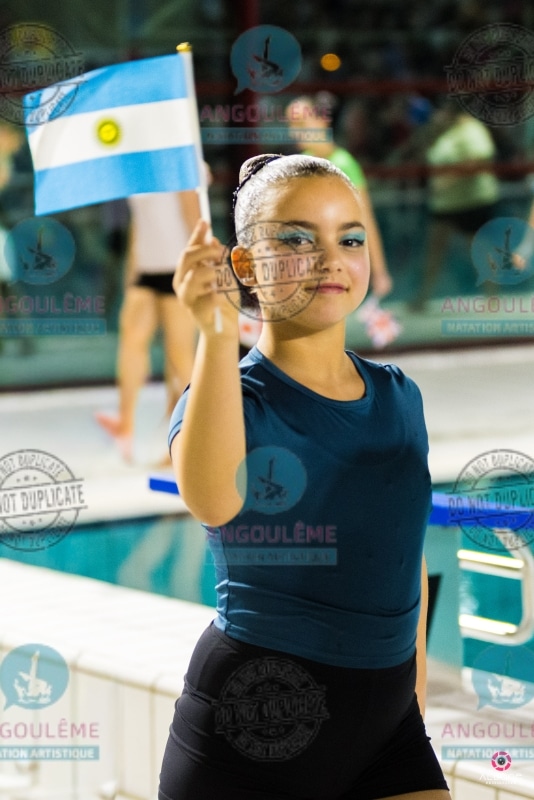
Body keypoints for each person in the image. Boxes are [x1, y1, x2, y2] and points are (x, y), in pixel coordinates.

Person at [158, 153, 450, 800]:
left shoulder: (399, 396)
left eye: (350, 239)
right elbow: (212, 500)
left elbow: (405, 558)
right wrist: (215, 334)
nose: (329, 259)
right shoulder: (233, 401)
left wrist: (411, 708)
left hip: (388, 734)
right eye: (296, 240)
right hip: (252, 736)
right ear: (244, 266)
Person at [95, 188, 201, 462]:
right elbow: (138, 223)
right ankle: (125, 424)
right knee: (132, 338)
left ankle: (197, 435)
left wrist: (202, 269)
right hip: (146, 269)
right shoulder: (138, 173)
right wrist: (131, 275)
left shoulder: (178, 168)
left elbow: (195, 219)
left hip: (178, 269)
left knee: (179, 356)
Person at [286, 95, 393, 299]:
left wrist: (380, 273)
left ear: (322, 120)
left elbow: (365, 219)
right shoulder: (301, 163)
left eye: (300, 123)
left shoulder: (343, 164)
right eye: (291, 124)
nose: (294, 132)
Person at [410, 103, 499, 309]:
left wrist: (449, 180)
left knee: (478, 248)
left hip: (471, 201)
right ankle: (423, 297)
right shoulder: (444, 132)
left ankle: (491, 296)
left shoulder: (471, 130)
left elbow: (479, 160)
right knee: (435, 249)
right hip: (445, 203)